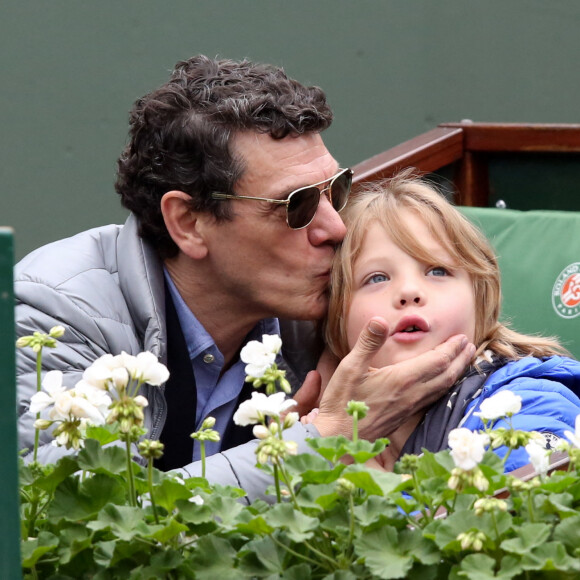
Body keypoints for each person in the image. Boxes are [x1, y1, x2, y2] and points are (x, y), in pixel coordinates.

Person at [15, 56, 474, 502]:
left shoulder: (331, 303)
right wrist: (324, 439)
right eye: (296, 205)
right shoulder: (52, 314)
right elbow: (92, 519)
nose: (335, 228)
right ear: (189, 221)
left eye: (336, 191)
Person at [321, 171, 580, 472]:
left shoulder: (524, 399)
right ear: (338, 321)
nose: (408, 292)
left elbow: (512, 504)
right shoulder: (321, 424)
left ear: (481, 299)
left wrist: (375, 487)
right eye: (376, 278)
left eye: (437, 271)